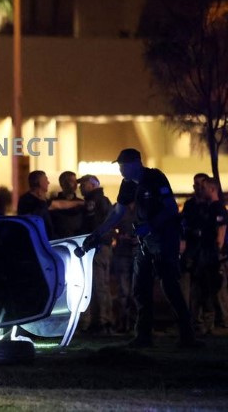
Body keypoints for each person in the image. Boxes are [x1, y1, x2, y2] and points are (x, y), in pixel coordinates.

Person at [80, 148, 199, 347]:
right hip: (145, 241)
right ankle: (143, 336)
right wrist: (98, 233)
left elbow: (170, 208)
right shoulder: (127, 184)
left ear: (136, 163)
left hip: (164, 238)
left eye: (122, 165)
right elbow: (117, 213)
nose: (120, 170)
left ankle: (188, 336)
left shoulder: (155, 178)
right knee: (140, 288)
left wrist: (150, 226)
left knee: (169, 285)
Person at [77, 174, 115, 334]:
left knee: (99, 286)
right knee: (97, 286)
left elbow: (98, 225)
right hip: (97, 247)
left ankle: (102, 322)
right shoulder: (101, 201)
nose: (80, 188)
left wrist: (95, 241)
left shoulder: (96, 201)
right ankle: (100, 322)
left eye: (83, 184)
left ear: (92, 185)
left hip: (97, 248)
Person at [190, 177, 226, 335]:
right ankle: (206, 323)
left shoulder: (218, 208)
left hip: (212, 254)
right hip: (205, 252)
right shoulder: (207, 208)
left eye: (204, 188)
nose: (201, 190)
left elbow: (221, 232)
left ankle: (214, 323)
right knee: (204, 288)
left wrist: (217, 253)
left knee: (212, 288)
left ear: (212, 189)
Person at [17, 171, 83, 240]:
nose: (48, 182)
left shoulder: (42, 200)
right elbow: (59, 205)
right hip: (35, 242)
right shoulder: (28, 200)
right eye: (46, 180)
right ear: (39, 182)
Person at [180, 173, 210, 307]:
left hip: (205, 249)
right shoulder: (190, 204)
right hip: (190, 249)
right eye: (195, 184)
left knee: (202, 286)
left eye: (200, 184)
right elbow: (183, 225)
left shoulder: (211, 205)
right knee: (185, 284)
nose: (197, 188)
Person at [49, 171, 84, 238]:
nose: (76, 184)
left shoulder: (81, 203)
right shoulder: (53, 204)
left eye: (76, 181)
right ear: (62, 183)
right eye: (72, 181)